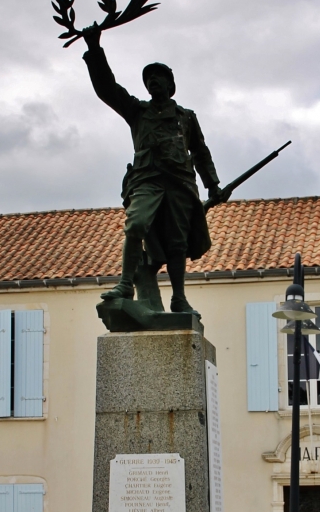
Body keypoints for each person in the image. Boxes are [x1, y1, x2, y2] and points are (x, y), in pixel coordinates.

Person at [82, 23, 222, 313]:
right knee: (136, 225)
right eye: (149, 78)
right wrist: (94, 49)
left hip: (181, 184)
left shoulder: (186, 117)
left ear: (171, 85)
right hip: (147, 180)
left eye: (159, 77)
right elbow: (107, 89)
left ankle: (179, 298)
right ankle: (125, 283)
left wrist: (213, 184)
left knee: (177, 244)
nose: (153, 81)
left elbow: (200, 151)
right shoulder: (138, 112)